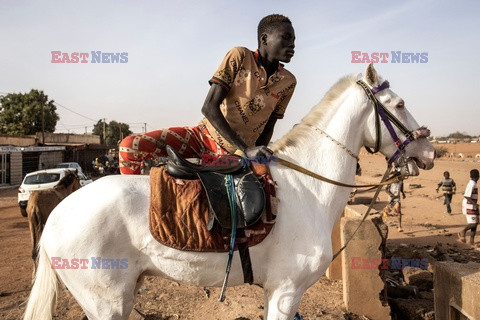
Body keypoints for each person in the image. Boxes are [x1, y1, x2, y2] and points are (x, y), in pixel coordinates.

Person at [118, 14, 297, 174]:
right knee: (129, 147)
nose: (293, 45)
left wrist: (254, 152)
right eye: (286, 37)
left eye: (294, 40)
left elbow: (269, 125)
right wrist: (245, 148)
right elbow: (209, 107)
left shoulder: (288, 82)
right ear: (264, 39)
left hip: (235, 155)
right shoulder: (240, 56)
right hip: (201, 137)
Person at [458, 169, 479, 247]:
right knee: (474, 223)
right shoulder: (471, 184)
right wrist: (474, 204)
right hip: (469, 205)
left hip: (473, 205)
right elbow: (466, 196)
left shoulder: (474, 183)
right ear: (478, 177)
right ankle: (462, 231)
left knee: (476, 223)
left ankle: (472, 241)